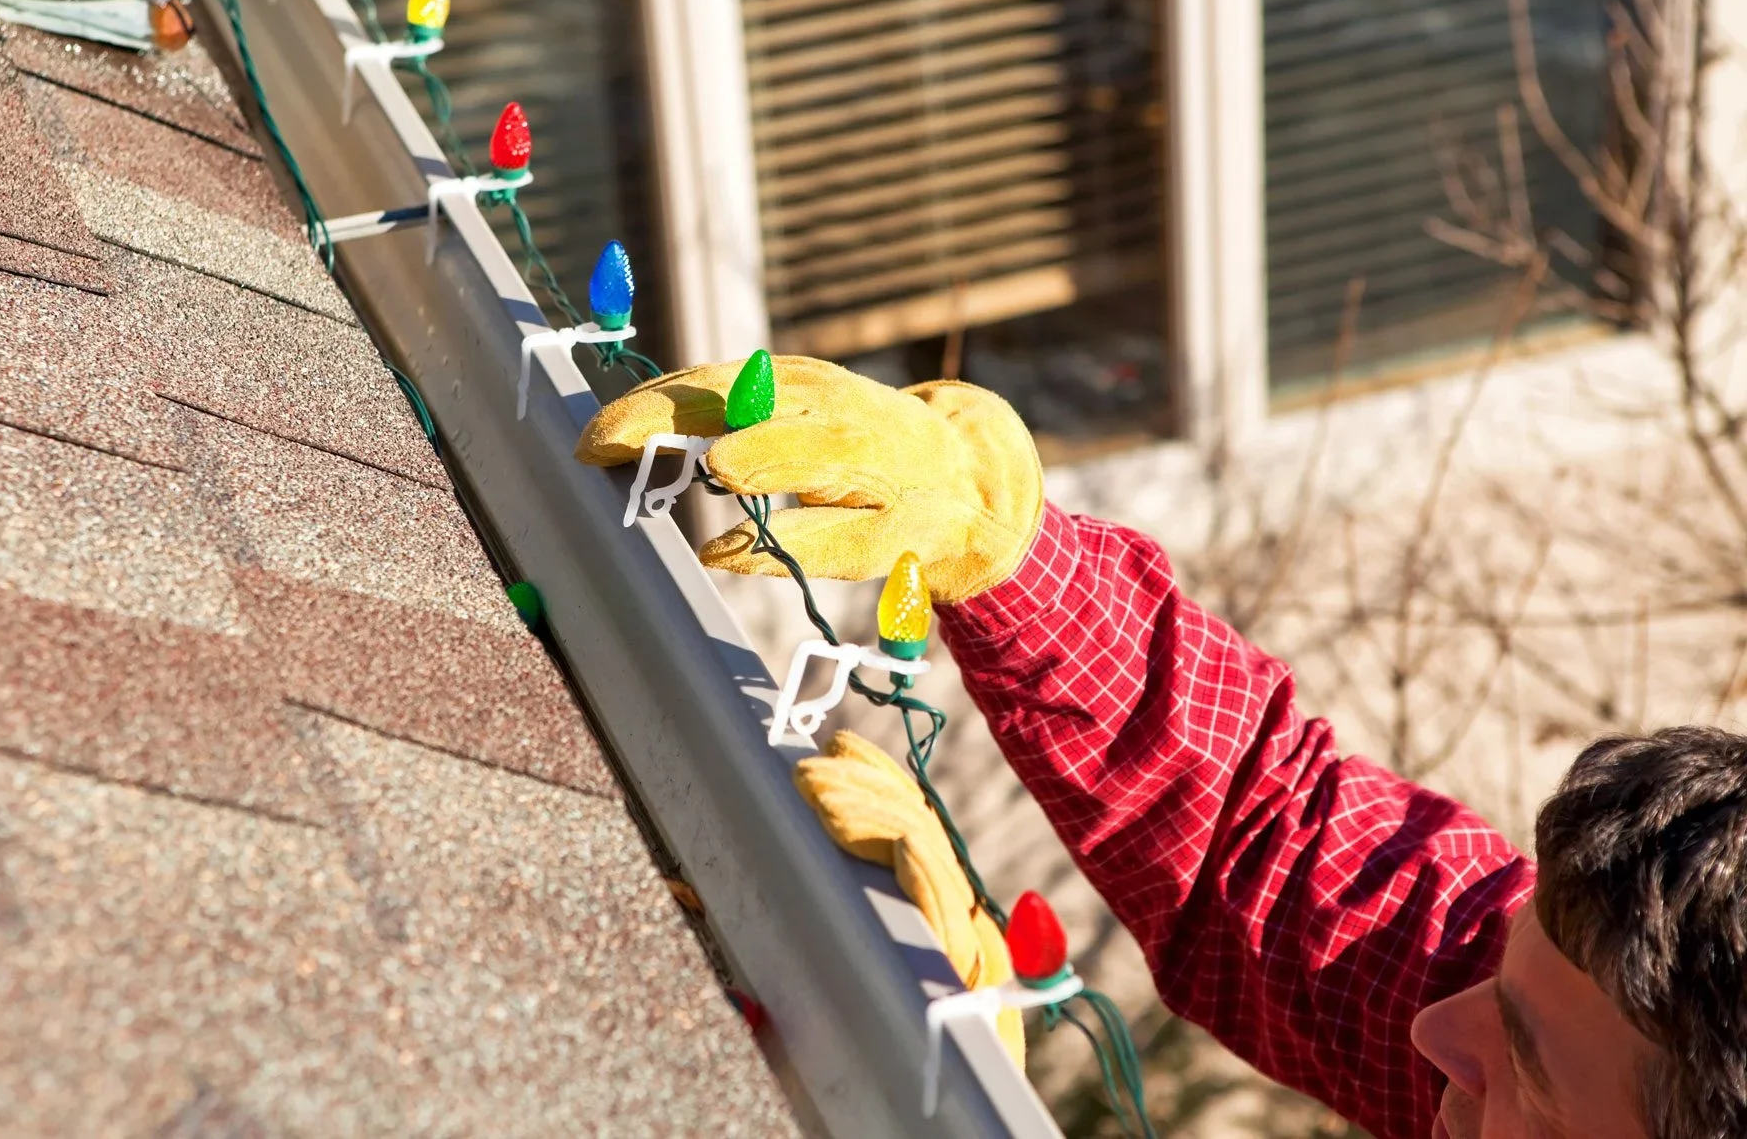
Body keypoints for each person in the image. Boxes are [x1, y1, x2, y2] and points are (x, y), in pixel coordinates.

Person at [578, 356, 1747, 1139]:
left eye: (1526, 1067)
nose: (1436, 1028)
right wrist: (1002, 548)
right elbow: (1267, 845)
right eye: (1497, 963)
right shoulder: (1556, 1014)